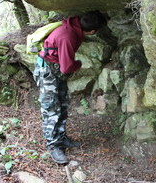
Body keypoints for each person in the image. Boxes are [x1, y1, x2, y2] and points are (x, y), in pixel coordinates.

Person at [33, 10, 108, 164]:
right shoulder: (68, 35)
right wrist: (78, 64)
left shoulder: (72, 27)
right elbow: (67, 67)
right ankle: (53, 146)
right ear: (92, 31)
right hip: (47, 72)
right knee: (51, 108)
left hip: (54, 70)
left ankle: (61, 138)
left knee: (62, 104)